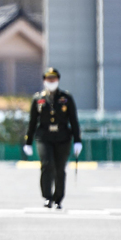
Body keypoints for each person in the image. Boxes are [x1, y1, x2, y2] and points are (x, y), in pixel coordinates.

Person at [23, 67, 82, 209]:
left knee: (60, 168)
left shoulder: (66, 98)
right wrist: (28, 141)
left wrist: (77, 140)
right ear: (44, 81)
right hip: (44, 137)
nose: (51, 82)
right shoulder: (38, 99)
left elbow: (73, 120)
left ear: (58, 80)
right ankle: (47, 197)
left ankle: (58, 198)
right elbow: (32, 121)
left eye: (53, 79)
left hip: (63, 138)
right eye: (49, 79)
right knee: (47, 164)